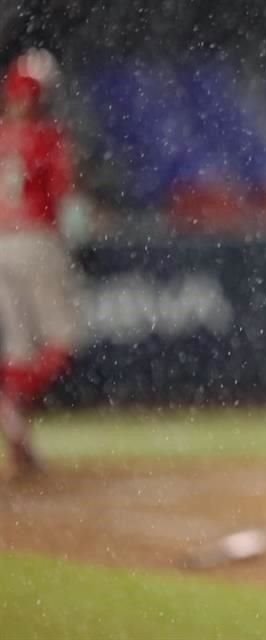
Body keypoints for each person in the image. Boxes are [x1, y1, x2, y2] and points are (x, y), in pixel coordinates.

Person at [0, 50, 80, 478]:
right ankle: (10, 406)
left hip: (0, 242)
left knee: (17, 348)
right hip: (34, 237)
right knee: (60, 342)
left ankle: (16, 426)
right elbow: (61, 198)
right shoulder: (48, 137)